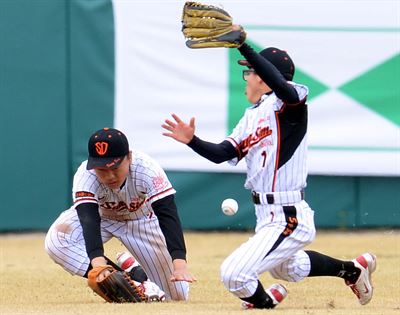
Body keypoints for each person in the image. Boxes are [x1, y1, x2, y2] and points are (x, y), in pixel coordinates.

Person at [162, 33, 376, 309]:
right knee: (289, 269)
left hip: (288, 214)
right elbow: (221, 154)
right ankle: (353, 270)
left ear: (263, 76)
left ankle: (263, 303)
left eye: (249, 72)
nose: (247, 77)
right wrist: (193, 141)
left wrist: (243, 46)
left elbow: (281, 86)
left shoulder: (290, 102)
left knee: (233, 274)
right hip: (266, 215)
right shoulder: (252, 115)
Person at [45, 127, 196, 302]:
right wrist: (99, 265)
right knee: (57, 240)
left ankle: (134, 266)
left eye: (115, 167)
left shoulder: (147, 169)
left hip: (141, 221)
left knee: (177, 297)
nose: (109, 175)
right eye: (101, 169)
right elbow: (89, 220)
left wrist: (179, 264)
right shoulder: (85, 176)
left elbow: (167, 215)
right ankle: (136, 282)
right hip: (103, 218)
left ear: (129, 157)